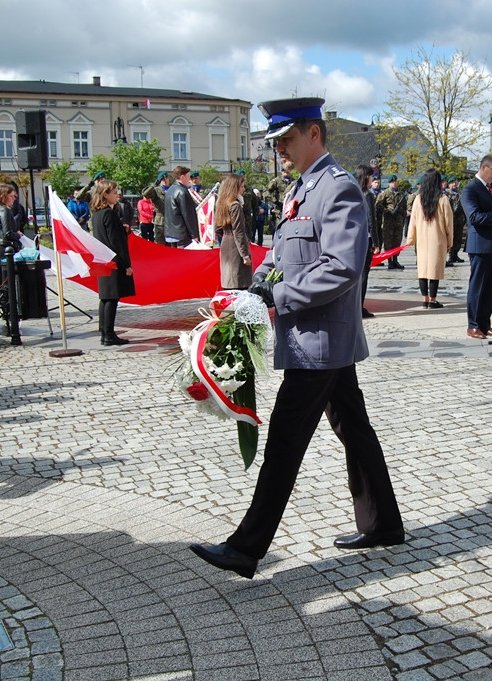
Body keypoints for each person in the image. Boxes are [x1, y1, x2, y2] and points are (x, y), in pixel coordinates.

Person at [189, 97, 403, 580]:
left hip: (321, 340)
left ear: (313, 134)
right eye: (275, 142)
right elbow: (283, 255)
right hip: (316, 338)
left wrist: (275, 297)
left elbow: (342, 267)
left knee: (285, 440)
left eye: (285, 139)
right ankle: (384, 522)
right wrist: (251, 290)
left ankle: (247, 548)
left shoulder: (338, 189)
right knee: (354, 427)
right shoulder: (302, 190)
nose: (279, 149)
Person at [460, 155, 492, 339]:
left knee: (491, 287)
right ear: (484, 167)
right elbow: (474, 217)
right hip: (480, 245)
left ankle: (485, 323)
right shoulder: (470, 189)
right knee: (478, 286)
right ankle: (473, 325)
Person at [90, 179, 135, 345]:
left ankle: (104, 331)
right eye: (114, 193)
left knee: (105, 298)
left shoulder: (97, 214)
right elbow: (116, 242)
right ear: (105, 194)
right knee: (111, 298)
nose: (117, 196)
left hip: (104, 260)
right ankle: (108, 334)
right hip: (113, 261)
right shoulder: (109, 214)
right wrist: (126, 265)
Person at [405, 168, 453, 309]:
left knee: (422, 269)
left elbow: (412, 221)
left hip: (421, 240)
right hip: (437, 239)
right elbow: (448, 223)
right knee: (434, 270)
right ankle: (433, 299)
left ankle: (425, 299)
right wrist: (450, 241)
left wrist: (410, 239)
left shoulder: (418, 199)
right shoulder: (443, 200)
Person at [0, 182, 25, 325]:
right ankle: (9, 311)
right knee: (6, 281)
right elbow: (8, 233)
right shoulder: (4, 210)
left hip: (1, 247)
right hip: (4, 248)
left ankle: (8, 310)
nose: (14, 199)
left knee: (5, 281)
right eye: (11, 196)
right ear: (4, 196)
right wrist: (19, 235)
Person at [215, 173, 252, 290]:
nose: (243, 189)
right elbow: (238, 231)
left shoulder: (222, 203)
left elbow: (217, 228)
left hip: (226, 243)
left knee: (229, 282)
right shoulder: (235, 205)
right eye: (241, 186)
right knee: (238, 283)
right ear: (234, 188)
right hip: (236, 247)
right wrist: (245, 255)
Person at [354, 163, 379, 318]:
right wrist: (376, 242)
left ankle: (354, 306)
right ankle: (359, 307)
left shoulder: (352, 191)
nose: (373, 179)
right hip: (366, 238)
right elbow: (371, 219)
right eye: (371, 176)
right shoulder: (367, 195)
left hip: (353, 238)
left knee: (355, 274)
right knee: (364, 273)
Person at [164, 166, 200, 247]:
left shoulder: (170, 190)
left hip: (170, 233)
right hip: (182, 234)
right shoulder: (182, 192)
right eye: (188, 177)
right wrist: (194, 235)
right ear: (182, 177)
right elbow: (188, 215)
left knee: (174, 258)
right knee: (184, 258)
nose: (189, 180)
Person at [376, 174, 406, 269]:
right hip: (388, 222)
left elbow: (405, 207)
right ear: (389, 183)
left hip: (398, 222)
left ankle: (395, 260)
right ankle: (389, 261)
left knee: (397, 241)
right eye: (392, 182)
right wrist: (386, 211)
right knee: (388, 242)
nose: (394, 183)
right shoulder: (385, 193)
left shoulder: (401, 194)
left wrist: (402, 213)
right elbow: (378, 204)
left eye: (395, 181)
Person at [142, 172, 170, 245]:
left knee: (171, 244)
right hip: (160, 220)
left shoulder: (172, 189)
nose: (165, 180)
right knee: (160, 243)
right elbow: (145, 194)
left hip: (171, 220)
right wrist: (154, 185)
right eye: (163, 179)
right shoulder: (156, 190)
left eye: (166, 178)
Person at [446, 177, 466, 266]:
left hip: (459, 219)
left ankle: (455, 254)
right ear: (449, 184)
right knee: (451, 237)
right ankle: (450, 255)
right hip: (451, 219)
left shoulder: (460, 194)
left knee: (458, 237)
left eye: (455, 182)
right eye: (452, 183)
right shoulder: (447, 194)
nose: (455, 184)